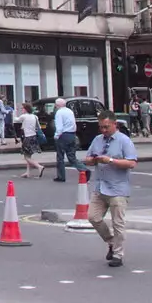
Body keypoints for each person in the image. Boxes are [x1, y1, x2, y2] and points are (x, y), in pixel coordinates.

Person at [84, 111, 137, 268]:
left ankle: (118, 255)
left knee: (118, 223)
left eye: (106, 127)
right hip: (100, 186)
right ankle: (111, 242)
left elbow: (132, 163)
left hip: (118, 188)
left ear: (115, 125)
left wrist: (111, 160)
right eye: (101, 127)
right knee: (93, 217)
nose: (103, 130)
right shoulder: (97, 140)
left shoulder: (124, 141)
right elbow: (87, 158)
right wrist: (93, 160)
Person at [52, 97, 78, 182]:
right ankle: (84, 170)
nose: (55, 106)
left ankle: (61, 176)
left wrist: (56, 136)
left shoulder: (59, 113)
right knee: (72, 157)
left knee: (60, 157)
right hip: (72, 134)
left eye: (55, 105)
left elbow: (59, 126)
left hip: (63, 135)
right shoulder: (70, 111)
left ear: (57, 105)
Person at [18, 101, 45, 179]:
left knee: (26, 157)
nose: (22, 109)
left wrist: (14, 112)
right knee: (29, 155)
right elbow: (38, 126)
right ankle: (28, 173)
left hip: (27, 137)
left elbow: (16, 120)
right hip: (33, 137)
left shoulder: (24, 116)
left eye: (22, 108)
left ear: (26, 109)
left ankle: (39, 166)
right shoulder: (35, 116)